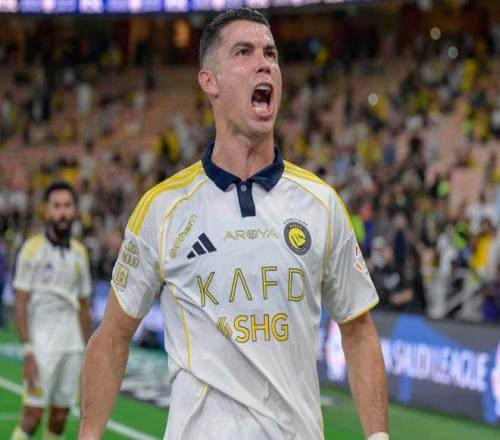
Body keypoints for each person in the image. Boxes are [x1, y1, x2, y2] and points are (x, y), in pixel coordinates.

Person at [79, 8, 388, 440]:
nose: (264, 63)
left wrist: (378, 437)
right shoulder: (163, 209)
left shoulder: (321, 204)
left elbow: (358, 332)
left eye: (270, 54)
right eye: (244, 52)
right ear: (210, 81)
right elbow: (113, 336)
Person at [11, 181, 92, 440]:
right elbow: (20, 301)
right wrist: (28, 351)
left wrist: (87, 351)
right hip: (42, 345)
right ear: (46, 211)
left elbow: (84, 305)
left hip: (72, 346)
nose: (62, 212)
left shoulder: (80, 253)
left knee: (59, 418)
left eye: (67, 206)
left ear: (75, 211)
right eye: (56, 206)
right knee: (32, 417)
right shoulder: (31, 249)